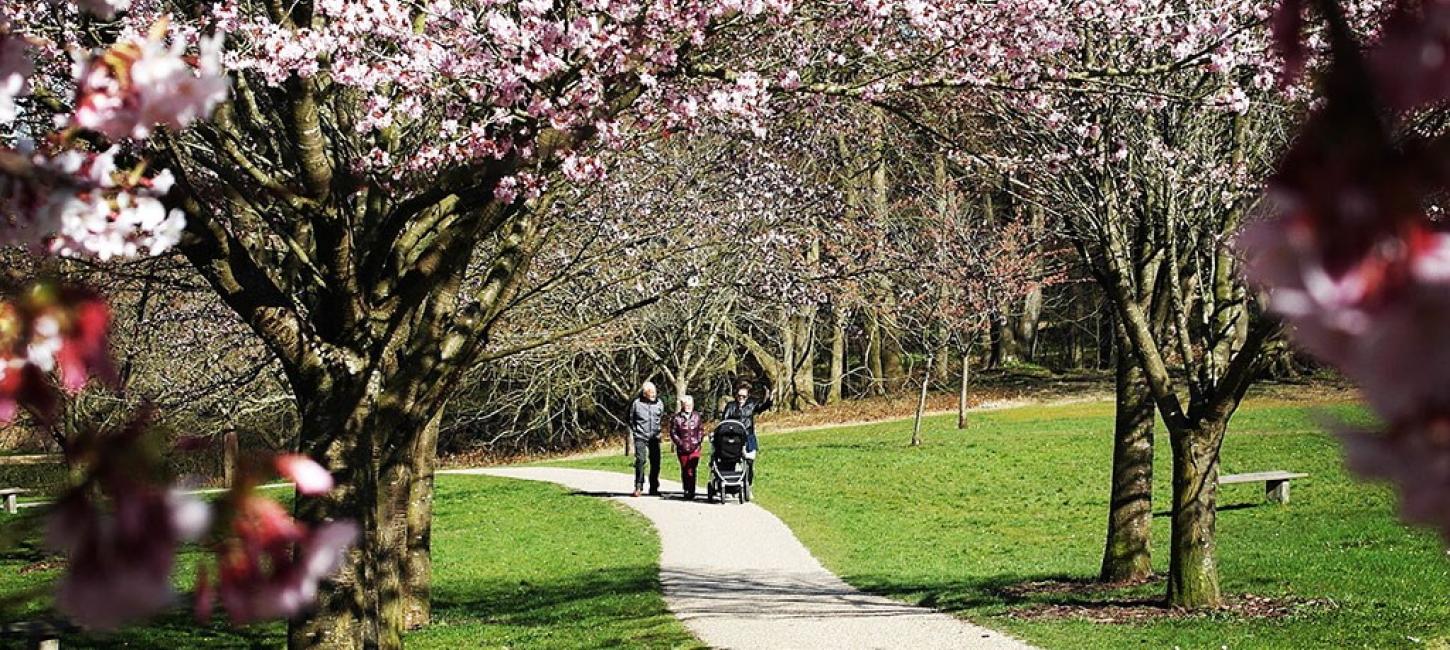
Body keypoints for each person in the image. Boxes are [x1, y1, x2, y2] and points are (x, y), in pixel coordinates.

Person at [719, 381, 772, 484]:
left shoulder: (751, 404)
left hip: (748, 436)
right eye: (739, 396)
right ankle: (730, 483)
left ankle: (748, 484)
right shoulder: (731, 406)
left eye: (744, 396)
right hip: (735, 438)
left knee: (749, 462)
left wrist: (769, 399)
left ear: (747, 396)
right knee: (731, 460)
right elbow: (724, 421)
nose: (741, 398)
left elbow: (762, 407)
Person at [627, 381, 664, 497]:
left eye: (654, 392)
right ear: (644, 393)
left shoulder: (659, 404)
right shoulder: (636, 404)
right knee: (641, 460)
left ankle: (654, 487)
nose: (653, 395)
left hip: (654, 437)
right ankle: (638, 486)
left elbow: (661, 416)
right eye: (651, 393)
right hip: (640, 436)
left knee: (656, 462)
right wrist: (636, 430)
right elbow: (629, 418)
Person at [668, 395, 706, 500]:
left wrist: (698, 441)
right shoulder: (676, 418)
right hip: (682, 448)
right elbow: (673, 432)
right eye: (686, 405)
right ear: (682, 406)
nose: (689, 407)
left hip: (695, 447)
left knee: (692, 469)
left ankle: (692, 490)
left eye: (690, 405)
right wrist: (680, 443)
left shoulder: (697, 416)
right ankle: (686, 489)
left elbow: (701, 430)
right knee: (685, 469)